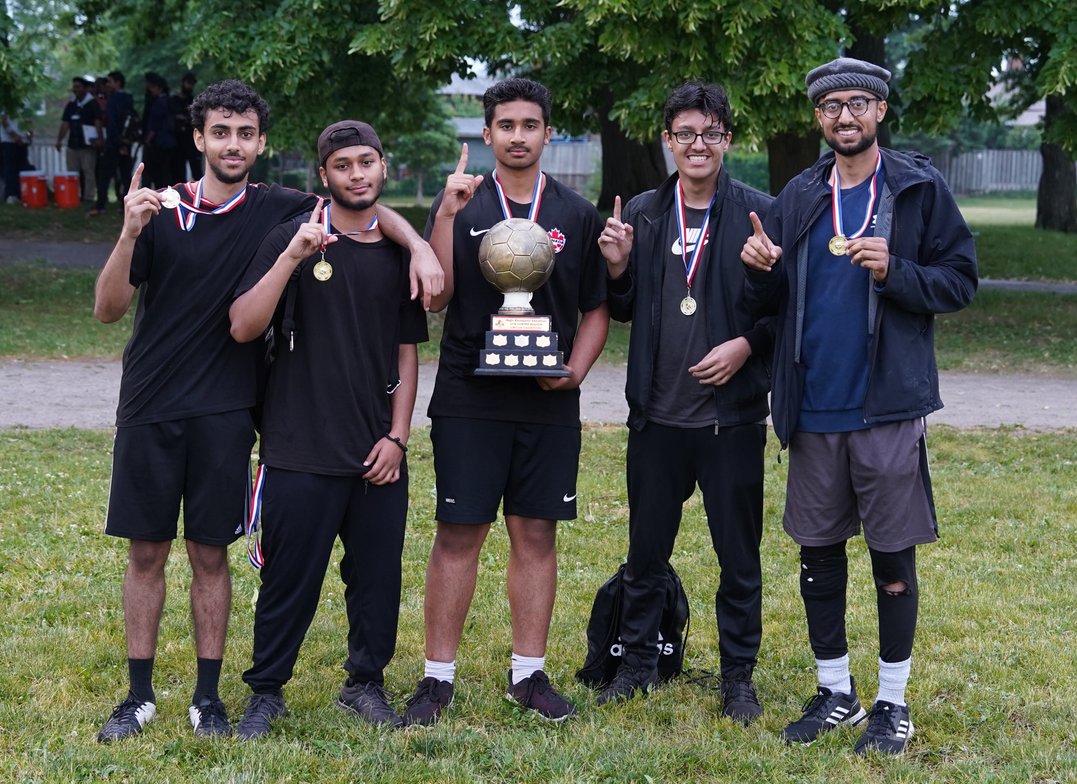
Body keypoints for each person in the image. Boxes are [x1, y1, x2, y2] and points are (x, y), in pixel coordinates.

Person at [92, 79, 443, 743]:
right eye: (220, 132)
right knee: (145, 552)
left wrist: (420, 243)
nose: (232, 144)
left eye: (244, 133)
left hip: (228, 408)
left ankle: (207, 699)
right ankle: (136, 697)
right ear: (198, 138)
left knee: (210, 554)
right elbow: (107, 309)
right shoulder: (162, 209)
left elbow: (362, 201)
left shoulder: (276, 207)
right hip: (149, 403)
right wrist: (126, 232)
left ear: (260, 143)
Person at [740, 57, 977, 755]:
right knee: (818, 552)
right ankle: (835, 689)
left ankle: (892, 703)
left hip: (885, 407)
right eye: (831, 106)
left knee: (890, 554)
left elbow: (960, 281)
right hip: (812, 405)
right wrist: (758, 271)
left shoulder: (917, 189)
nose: (845, 116)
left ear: (879, 111)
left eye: (859, 103)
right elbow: (772, 302)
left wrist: (896, 271)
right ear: (818, 118)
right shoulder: (799, 194)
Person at [401, 78, 609, 726]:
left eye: (530, 124)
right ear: (486, 134)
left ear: (547, 133)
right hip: (470, 392)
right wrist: (443, 216)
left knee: (536, 533)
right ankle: (437, 679)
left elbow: (597, 308)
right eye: (506, 125)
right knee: (459, 533)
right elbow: (433, 298)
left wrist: (573, 372)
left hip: (546, 400)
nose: (518, 136)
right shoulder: (461, 202)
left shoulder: (575, 213)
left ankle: (529, 674)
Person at [227, 120, 427, 739]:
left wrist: (397, 437)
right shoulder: (290, 238)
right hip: (298, 445)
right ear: (324, 176)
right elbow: (241, 326)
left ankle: (364, 682)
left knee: (376, 579)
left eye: (367, 161)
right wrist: (291, 258)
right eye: (343, 165)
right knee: (289, 578)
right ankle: (265, 692)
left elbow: (407, 351)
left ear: (383, 167)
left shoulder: (396, 253)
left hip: (376, 450)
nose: (357, 174)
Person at [595, 82, 773, 723]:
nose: (698, 145)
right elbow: (620, 309)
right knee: (645, 552)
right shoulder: (643, 212)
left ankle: (738, 678)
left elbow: (785, 313)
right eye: (685, 134)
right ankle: (637, 664)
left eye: (711, 133)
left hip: (730, 420)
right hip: (657, 416)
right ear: (668, 141)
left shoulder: (760, 213)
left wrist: (746, 346)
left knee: (739, 557)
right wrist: (617, 268)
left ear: (727, 139)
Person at [90, 70, 136, 216]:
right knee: (125, 177)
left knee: (105, 176)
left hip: (115, 144)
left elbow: (115, 124)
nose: (107, 85)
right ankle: (126, 206)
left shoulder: (116, 100)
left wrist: (119, 143)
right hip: (124, 143)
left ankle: (101, 206)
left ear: (117, 83)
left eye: (109, 81)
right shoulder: (128, 99)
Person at [55, 76, 103, 202]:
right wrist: (59, 140)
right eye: (74, 87)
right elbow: (65, 124)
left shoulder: (92, 104)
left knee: (88, 172)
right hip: (72, 144)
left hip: (87, 145)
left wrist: (99, 139)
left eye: (78, 87)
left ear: (85, 88)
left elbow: (98, 122)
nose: (75, 89)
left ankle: (88, 197)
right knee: (72, 172)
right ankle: (73, 196)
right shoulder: (71, 105)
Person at [142, 73, 177, 188]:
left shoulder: (159, 103)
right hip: (170, 141)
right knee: (166, 171)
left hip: (159, 142)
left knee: (157, 171)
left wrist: (147, 139)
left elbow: (154, 124)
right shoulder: (169, 101)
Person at [171, 73, 203, 181]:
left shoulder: (194, 100)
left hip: (191, 140)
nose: (189, 86)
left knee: (196, 168)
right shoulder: (174, 100)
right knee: (178, 169)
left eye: (191, 84)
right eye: (188, 83)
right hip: (178, 140)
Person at [0, 111, 30, 204]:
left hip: (23, 140)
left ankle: (22, 193)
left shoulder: (26, 103)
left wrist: (29, 134)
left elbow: (28, 119)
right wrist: (14, 136)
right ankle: (10, 194)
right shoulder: (7, 102)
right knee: (10, 167)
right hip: (9, 141)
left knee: (23, 167)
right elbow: (4, 121)